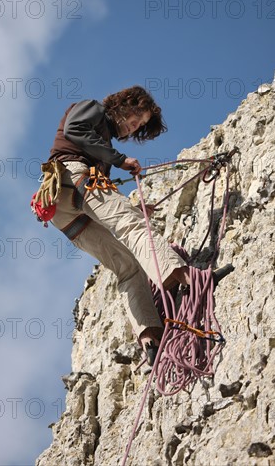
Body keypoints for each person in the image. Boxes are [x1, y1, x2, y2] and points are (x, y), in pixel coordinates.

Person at [45, 85, 192, 365]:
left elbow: (104, 206)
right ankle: (182, 278)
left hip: (63, 208)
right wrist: (121, 160)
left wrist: (132, 207)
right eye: (136, 119)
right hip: (73, 176)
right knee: (133, 227)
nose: (133, 128)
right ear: (124, 105)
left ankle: (149, 334)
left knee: (127, 265)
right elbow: (75, 130)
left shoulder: (103, 150)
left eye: (139, 127)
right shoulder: (94, 108)